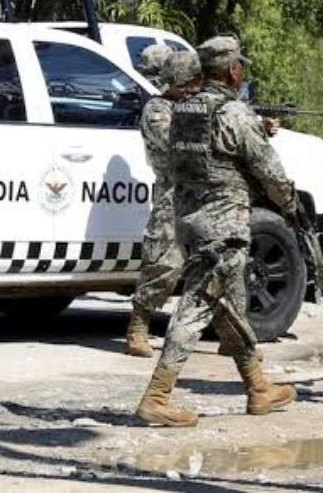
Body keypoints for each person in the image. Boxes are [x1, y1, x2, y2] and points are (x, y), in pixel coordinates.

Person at [135, 36, 298, 427]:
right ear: (232, 70)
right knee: (197, 306)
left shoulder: (183, 109)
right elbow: (270, 173)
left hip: (189, 220)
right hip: (222, 226)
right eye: (240, 65)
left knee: (227, 305)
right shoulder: (233, 113)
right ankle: (156, 397)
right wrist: (291, 208)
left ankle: (258, 387)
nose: (242, 70)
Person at [124, 45, 202, 357]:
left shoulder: (192, 108)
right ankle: (137, 329)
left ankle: (234, 340)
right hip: (172, 194)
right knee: (164, 265)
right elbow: (178, 145)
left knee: (218, 265)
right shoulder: (157, 110)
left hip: (199, 195)